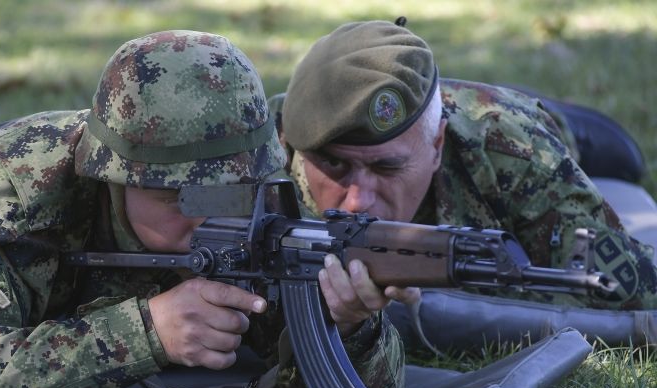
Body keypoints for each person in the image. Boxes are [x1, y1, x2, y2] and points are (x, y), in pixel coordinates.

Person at [0, 30, 404, 388]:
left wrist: (347, 325)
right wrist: (146, 331)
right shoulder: (14, 193)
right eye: (174, 196)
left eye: (225, 193)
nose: (205, 217)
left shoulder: (259, 202)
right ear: (111, 178)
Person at [271, 19, 657, 317]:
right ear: (293, 142)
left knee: (625, 158)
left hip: (522, 124)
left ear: (437, 146)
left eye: (387, 168)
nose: (357, 201)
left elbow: (631, 287)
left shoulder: (515, 150)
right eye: (334, 164)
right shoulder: (268, 149)